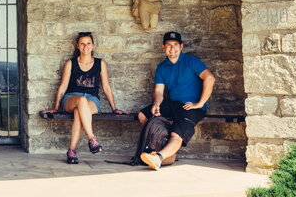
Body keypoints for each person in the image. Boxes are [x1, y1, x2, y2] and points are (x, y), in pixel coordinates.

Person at [40, 31, 125, 164]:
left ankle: (71, 151)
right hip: (71, 98)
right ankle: (91, 138)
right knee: (81, 100)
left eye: (88, 43)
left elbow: (106, 87)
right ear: (77, 46)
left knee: (79, 111)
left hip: (93, 100)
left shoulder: (100, 64)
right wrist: (56, 107)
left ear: (93, 46)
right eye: (82, 43)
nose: (86, 46)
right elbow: (62, 86)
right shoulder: (71, 63)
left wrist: (115, 108)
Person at [136, 30, 216, 170]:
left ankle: (158, 158)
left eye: (175, 45)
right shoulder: (162, 67)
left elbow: (209, 78)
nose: (172, 48)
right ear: (163, 47)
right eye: (168, 45)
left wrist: (200, 103)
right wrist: (156, 103)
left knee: (176, 134)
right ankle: (162, 147)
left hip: (190, 106)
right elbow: (159, 91)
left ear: (181, 46)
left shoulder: (191, 61)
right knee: (143, 115)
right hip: (172, 104)